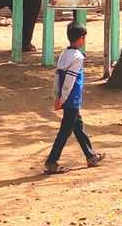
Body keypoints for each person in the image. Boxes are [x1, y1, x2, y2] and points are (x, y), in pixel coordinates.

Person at [44, 22, 104, 174]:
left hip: (67, 99)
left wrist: (57, 96)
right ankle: (51, 162)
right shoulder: (77, 57)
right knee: (65, 131)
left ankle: (90, 156)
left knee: (78, 126)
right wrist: (62, 99)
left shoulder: (64, 54)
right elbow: (69, 82)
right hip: (71, 99)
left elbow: (58, 77)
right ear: (81, 38)